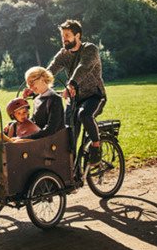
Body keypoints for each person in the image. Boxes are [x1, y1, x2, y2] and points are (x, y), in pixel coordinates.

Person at [25, 19, 106, 165]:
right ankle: (72, 171)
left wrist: (71, 84)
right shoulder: (63, 53)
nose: (64, 39)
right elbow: (49, 71)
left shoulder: (90, 49)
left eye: (67, 35)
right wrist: (33, 86)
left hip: (94, 95)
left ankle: (96, 146)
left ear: (77, 36)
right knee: (68, 135)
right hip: (74, 99)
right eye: (62, 36)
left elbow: (83, 67)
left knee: (84, 114)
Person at [16, 67, 64, 142]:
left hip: (53, 142)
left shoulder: (55, 99)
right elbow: (34, 122)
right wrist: (14, 125)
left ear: (42, 78)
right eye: (28, 84)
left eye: (32, 82)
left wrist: (26, 139)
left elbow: (51, 130)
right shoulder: (37, 99)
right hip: (40, 139)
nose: (30, 87)